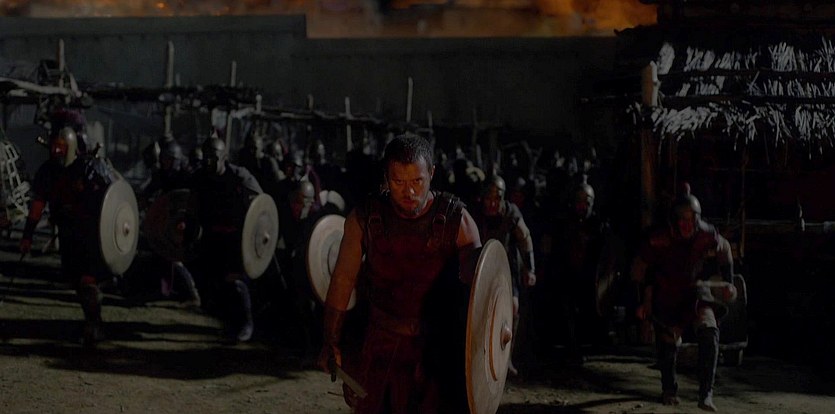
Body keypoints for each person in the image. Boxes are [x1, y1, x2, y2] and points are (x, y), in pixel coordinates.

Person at [317, 133, 481, 414]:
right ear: (386, 177)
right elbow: (343, 280)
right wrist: (331, 340)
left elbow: (480, 291)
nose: (409, 192)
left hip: (437, 348)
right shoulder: (364, 219)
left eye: (417, 181)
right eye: (398, 182)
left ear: (431, 173)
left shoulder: (457, 222)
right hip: (380, 343)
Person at [631, 185, 737, 412]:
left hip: (696, 292)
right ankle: (669, 389)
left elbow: (725, 249)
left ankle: (706, 393)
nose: (687, 225)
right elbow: (640, 267)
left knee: (709, 331)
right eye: (682, 220)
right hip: (667, 294)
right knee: (668, 341)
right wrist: (642, 301)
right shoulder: (658, 238)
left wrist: (728, 282)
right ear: (674, 221)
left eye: (692, 220)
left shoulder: (707, 235)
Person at [20, 125, 115, 349]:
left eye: (61, 147)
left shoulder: (88, 168)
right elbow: (38, 205)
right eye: (54, 146)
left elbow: (111, 195)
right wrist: (27, 235)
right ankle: (93, 322)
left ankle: (94, 326)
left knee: (88, 280)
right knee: (77, 280)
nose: (56, 151)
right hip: (68, 233)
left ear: (71, 147)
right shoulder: (47, 172)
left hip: (91, 234)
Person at [188, 137, 263, 342]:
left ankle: (246, 324)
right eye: (206, 157)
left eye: (213, 157)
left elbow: (260, 205)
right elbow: (192, 207)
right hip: (211, 238)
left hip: (236, 239)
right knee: (215, 285)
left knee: (235, 282)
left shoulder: (239, 177)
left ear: (224, 157)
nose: (209, 161)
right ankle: (229, 325)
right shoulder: (200, 178)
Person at [541, 176, 615, 365]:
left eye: (586, 203)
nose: (582, 206)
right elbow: (553, 249)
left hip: (589, 278)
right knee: (567, 312)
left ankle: (586, 345)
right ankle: (572, 347)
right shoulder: (564, 224)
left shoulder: (599, 225)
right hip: (567, 276)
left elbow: (608, 254)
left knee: (588, 314)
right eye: (579, 202)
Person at [471, 175, 536, 376]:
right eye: (488, 198)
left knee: (513, 308)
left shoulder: (510, 213)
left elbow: (525, 239)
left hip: (506, 270)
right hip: (480, 271)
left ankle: (506, 359)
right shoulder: (475, 213)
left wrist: (530, 268)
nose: (492, 203)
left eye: (496, 198)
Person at [139, 139, 201, 307]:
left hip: (185, 224)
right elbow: (149, 192)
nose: (165, 162)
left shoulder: (187, 176)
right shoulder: (163, 175)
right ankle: (164, 291)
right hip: (168, 222)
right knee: (160, 253)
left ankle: (192, 295)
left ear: (176, 160)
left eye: (168, 159)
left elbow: (193, 200)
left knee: (173, 257)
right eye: (164, 159)